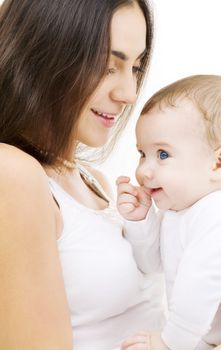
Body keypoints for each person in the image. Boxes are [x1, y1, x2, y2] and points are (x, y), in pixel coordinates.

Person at [0, 1, 167, 349]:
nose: (128, 94)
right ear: (43, 54)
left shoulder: (92, 181)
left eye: (134, 68)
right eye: (108, 66)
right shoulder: (12, 174)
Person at [117, 75, 221, 350]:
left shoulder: (213, 214)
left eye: (162, 154)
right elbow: (152, 266)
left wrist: (169, 343)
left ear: (217, 164)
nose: (143, 171)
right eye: (142, 153)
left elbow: (200, 287)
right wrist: (141, 222)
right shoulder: (179, 210)